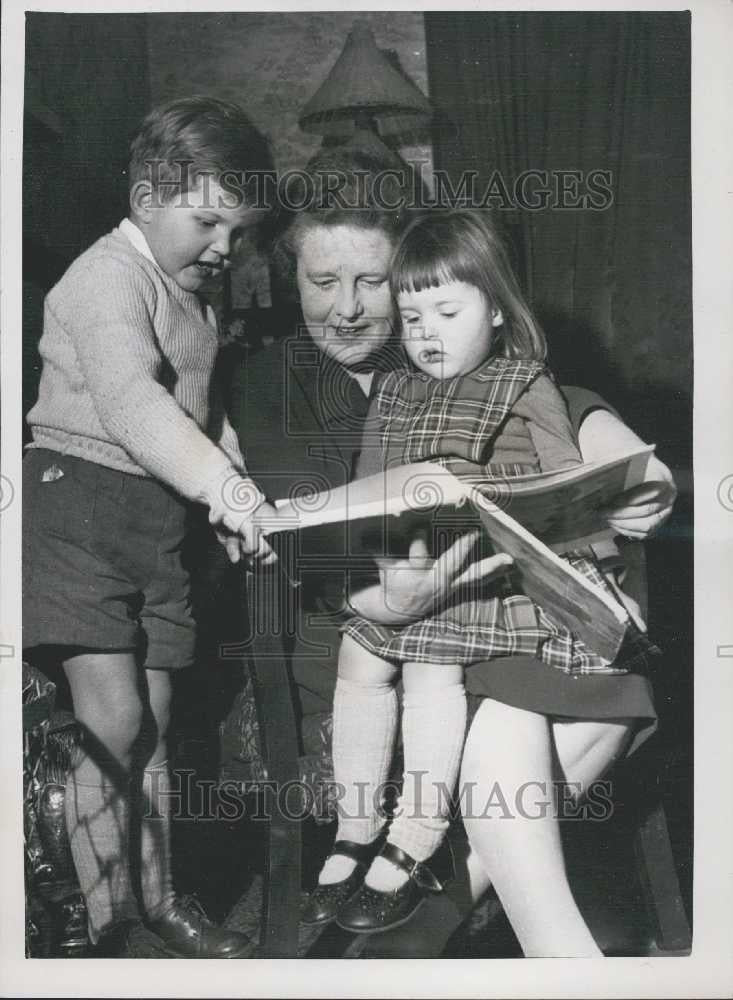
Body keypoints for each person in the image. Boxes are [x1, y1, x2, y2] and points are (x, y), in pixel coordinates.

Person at [231, 151, 677, 956]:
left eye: (372, 282)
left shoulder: (431, 338)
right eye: (320, 281)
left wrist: (626, 455)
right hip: (367, 653)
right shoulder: (269, 384)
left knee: (541, 694)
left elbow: (551, 396)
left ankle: (426, 927)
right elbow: (311, 530)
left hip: (498, 627)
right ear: (288, 276)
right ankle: (470, 920)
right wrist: (379, 603)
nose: (347, 310)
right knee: (532, 720)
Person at [22, 96, 277, 958]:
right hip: (76, 506)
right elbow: (132, 404)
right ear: (143, 199)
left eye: (239, 232)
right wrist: (222, 487)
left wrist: (229, 480)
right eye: (208, 222)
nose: (224, 249)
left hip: (155, 521)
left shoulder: (191, 293)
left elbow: (197, 416)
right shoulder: (105, 277)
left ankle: (159, 898)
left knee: (163, 723)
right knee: (116, 720)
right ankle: (99, 919)